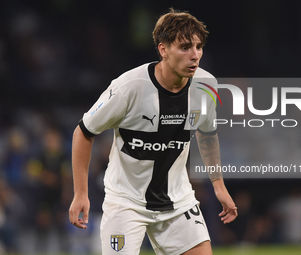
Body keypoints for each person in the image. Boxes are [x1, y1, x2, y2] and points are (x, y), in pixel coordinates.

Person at [69, 8, 237, 255]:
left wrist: (219, 186)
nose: (195, 55)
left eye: (199, 47)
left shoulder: (206, 85)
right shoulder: (129, 87)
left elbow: (207, 133)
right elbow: (83, 132)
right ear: (163, 50)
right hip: (126, 203)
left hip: (178, 202)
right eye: (185, 47)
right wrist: (80, 193)